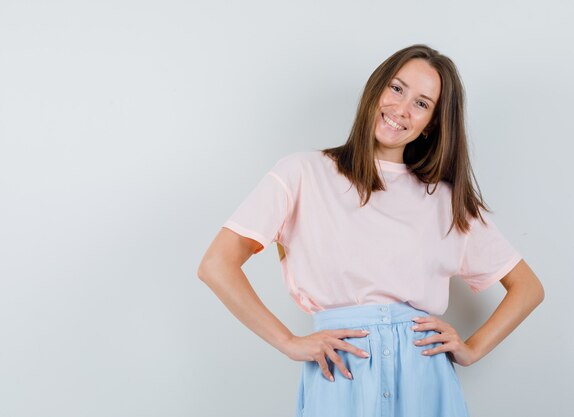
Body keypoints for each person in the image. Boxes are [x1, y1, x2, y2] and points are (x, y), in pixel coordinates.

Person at [197, 44, 545, 417]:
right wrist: (288, 342)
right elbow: (217, 264)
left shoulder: (445, 200)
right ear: (376, 89)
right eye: (397, 89)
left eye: (422, 104)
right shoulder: (302, 173)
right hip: (342, 372)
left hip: (424, 378)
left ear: (432, 124)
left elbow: (528, 288)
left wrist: (472, 349)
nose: (402, 109)